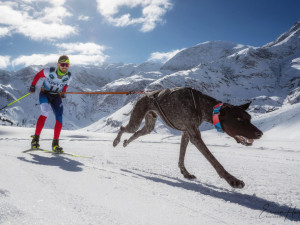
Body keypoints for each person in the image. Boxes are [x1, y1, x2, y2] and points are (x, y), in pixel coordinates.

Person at [29, 55, 72, 153]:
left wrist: (63, 92)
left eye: (67, 64)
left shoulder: (68, 76)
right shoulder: (50, 71)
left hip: (56, 96)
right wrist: (33, 85)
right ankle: (35, 140)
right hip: (45, 94)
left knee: (59, 117)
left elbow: (66, 85)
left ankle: (55, 144)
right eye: (63, 64)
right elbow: (38, 75)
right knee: (45, 112)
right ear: (58, 64)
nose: (65, 66)